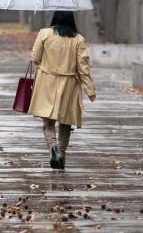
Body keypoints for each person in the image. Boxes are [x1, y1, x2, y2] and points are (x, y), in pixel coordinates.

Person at [28, 11, 96, 170]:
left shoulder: (45, 33)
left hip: (46, 81)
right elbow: (83, 67)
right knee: (65, 122)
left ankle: (52, 145)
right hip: (69, 84)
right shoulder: (78, 39)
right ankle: (61, 154)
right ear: (72, 19)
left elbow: (35, 58)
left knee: (48, 122)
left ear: (55, 18)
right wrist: (90, 90)